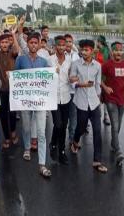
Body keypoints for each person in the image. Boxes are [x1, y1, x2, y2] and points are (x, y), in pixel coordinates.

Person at [15, 33, 52, 177]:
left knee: (41, 132)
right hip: (25, 100)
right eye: (31, 42)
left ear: (39, 44)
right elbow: (16, 77)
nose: (33, 45)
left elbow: (49, 78)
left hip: (40, 102)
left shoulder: (44, 61)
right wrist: (9, 76)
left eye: (36, 43)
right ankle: (27, 148)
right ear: (27, 44)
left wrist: (53, 73)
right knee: (26, 126)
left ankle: (42, 164)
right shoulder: (20, 60)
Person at [70, 39, 108, 174]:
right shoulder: (75, 64)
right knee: (80, 127)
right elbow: (72, 81)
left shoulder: (97, 66)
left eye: (86, 50)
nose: (83, 52)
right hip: (80, 101)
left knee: (97, 130)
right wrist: (81, 84)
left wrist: (98, 96)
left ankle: (97, 161)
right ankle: (75, 141)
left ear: (92, 51)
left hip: (94, 103)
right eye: (82, 49)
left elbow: (98, 84)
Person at [101, 42, 124, 166]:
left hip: (122, 99)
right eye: (116, 50)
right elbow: (100, 79)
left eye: (120, 50)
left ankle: (114, 143)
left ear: (122, 52)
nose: (118, 52)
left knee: (118, 125)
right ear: (112, 52)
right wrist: (105, 87)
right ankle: (118, 151)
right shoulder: (106, 65)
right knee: (114, 124)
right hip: (110, 98)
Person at [0, 27, 20, 148]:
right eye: (2, 42)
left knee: (12, 113)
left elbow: (17, 49)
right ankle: (7, 137)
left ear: (9, 43)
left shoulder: (13, 53)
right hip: (1, 90)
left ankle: (13, 132)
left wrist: (13, 35)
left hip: (13, 89)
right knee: (3, 114)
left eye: (6, 42)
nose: (4, 44)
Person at [49, 36, 71, 165]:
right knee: (58, 124)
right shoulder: (50, 60)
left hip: (66, 97)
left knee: (64, 126)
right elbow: (44, 75)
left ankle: (62, 151)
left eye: (64, 45)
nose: (62, 47)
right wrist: (52, 72)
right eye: (59, 45)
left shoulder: (70, 61)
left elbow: (73, 77)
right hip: (54, 98)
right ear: (55, 46)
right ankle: (53, 143)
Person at [64, 34, 80, 145]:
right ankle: (60, 140)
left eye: (70, 42)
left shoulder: (76, 56)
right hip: (63, 91)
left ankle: (72, 140)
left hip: (74, 91)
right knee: (63, 119)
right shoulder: (59, 56)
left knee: (74, 117)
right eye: (66, 42)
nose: (68, 44)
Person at [96, 35, 111, 125]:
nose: (96, 43)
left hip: (104, 77)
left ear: (99, 42)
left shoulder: (106, 52)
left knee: (105, 98)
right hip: (98, 76)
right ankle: (100, 116)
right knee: (98, 96)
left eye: (97, 42)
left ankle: (105, 116)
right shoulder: (97, 51)